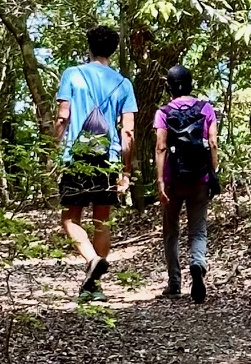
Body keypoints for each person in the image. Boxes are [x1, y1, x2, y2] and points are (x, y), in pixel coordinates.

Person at [55, 24, 137, 301]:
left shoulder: (72, 74)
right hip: (108, 159)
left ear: (89, 47)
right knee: (102, 220)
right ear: (113, 50)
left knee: (70, 218)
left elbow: (63, 117)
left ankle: (92, 260)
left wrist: (51, 150)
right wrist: (125, 171)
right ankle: (95, 286)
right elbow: (128, 132)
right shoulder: (123, 84)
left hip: (76, 157)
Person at [153, 62, 219, 303]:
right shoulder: (206, 108)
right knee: (198, 229)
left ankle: (174, 283)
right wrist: (212, 172)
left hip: (173, 180)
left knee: (171, 231)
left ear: (169, 87)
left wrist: (160, 181)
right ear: (191, 84)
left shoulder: (163, 112)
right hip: (200, 177)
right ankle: (197, 264)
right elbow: (213, 143)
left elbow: (161, 147)